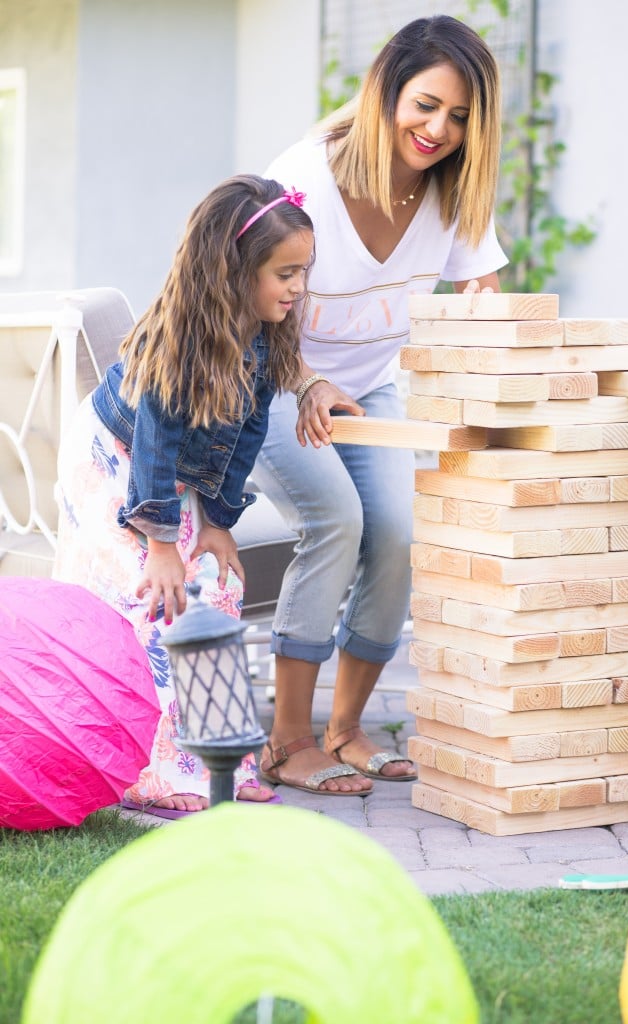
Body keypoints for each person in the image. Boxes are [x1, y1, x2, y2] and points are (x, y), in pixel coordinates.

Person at [251, 15, 508, 795]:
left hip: (366, 390)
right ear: (387, 92)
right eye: (426, 105)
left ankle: (347, 729)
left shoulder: (453, 192)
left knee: (399, 532)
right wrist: (304, 384)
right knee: (340, 518)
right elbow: (247, 308)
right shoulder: (305, 179)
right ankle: (288, 739)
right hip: (271, 382)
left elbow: (480, 296)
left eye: (460, 117)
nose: (439, 129)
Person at [53, 175, 314, 817]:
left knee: (216, 590)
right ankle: (150, 771)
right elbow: (152, 441)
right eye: (286, 272)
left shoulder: (265, 332)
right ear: (236, 271)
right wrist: (162, 544)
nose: (298, 286)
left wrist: (220, 523)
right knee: (159, 600)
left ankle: (221, 759)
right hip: (112, 460)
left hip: (167, 477)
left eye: (303, 271)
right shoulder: (182, 338)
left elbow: (248, 434)